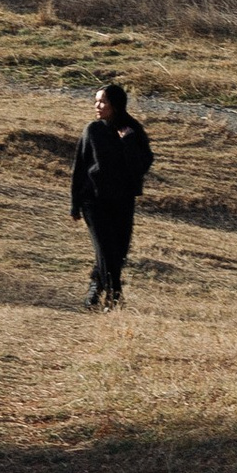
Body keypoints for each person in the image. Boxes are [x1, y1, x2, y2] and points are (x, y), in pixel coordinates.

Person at [70, 82, 153, 308]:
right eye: (96, 101)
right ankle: (115, 296)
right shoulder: (92, 130)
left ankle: (95, 288)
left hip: (122, 200)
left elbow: (141, 166)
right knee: (105, 249)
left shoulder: (132, 131)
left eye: (103, 101)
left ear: (116, 105)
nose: (97, 106)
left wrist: (127, 142)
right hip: (93, 201)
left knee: (119, 252)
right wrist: (74, 204)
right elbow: (80, 167)